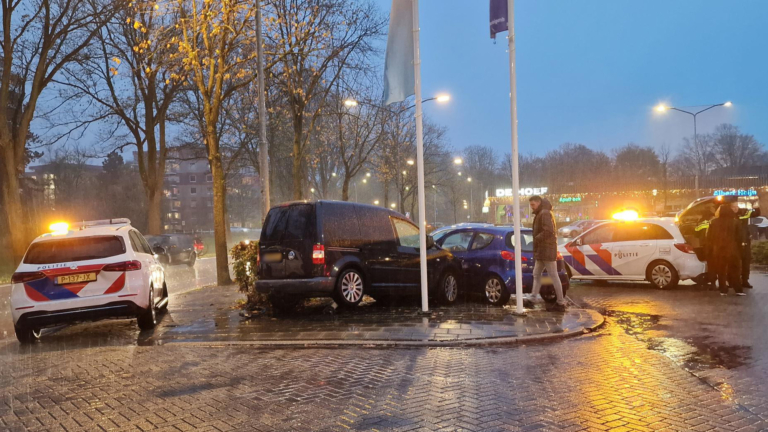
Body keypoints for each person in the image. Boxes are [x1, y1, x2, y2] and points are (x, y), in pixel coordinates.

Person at [529, 195, 567, 311]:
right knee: (537, 274)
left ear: (539, 202)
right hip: (543, 250)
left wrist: (537, 238)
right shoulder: (543, 212)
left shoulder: (544, 213)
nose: (532, 207)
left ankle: (560, 302)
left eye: (533, 205)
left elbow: (548, 231)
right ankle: (533, 298)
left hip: (546, 250)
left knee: (553, 275)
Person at [706, 204, 745, 296]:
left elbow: (709, 238)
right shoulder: (736, 222)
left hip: (718, 250)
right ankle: (738, 289)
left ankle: (723, 290)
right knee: (735, 270)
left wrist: (710, 250)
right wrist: (740, 249)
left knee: (721, 270)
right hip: (733, 250)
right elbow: (740, 237)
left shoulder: (713, 222)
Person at [734, 201, 760, 288]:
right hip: (734, 243)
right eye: (733, 207)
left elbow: (756, 213)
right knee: (734, 264)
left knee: (746, 262)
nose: (735, 208)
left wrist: (756, 206)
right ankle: (733, 281)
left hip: (745, 241)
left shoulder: (744, 212)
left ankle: (745, 281)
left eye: (736, 206)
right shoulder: (728, 215)